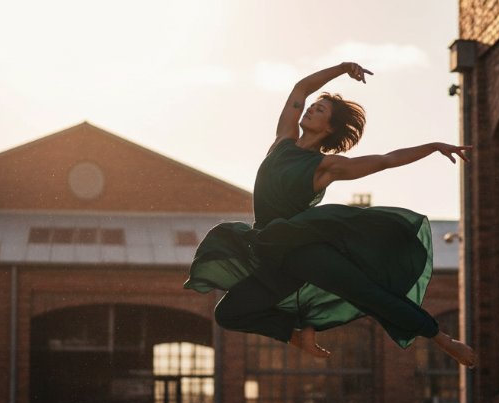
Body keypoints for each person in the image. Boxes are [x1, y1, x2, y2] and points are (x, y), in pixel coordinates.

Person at [184, 61, 476, 367]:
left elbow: (386, 160)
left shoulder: (326, 167)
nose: (310, 109)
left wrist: (432, 147)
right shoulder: (281, 141)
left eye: (320, 110)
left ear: (330, 128)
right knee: (228, 313)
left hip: (302, 248)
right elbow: (300, 88)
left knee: (366, 291)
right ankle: (297, 335)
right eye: (313, 106)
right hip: (268, 251)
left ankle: (443, 339)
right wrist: (341, 68)